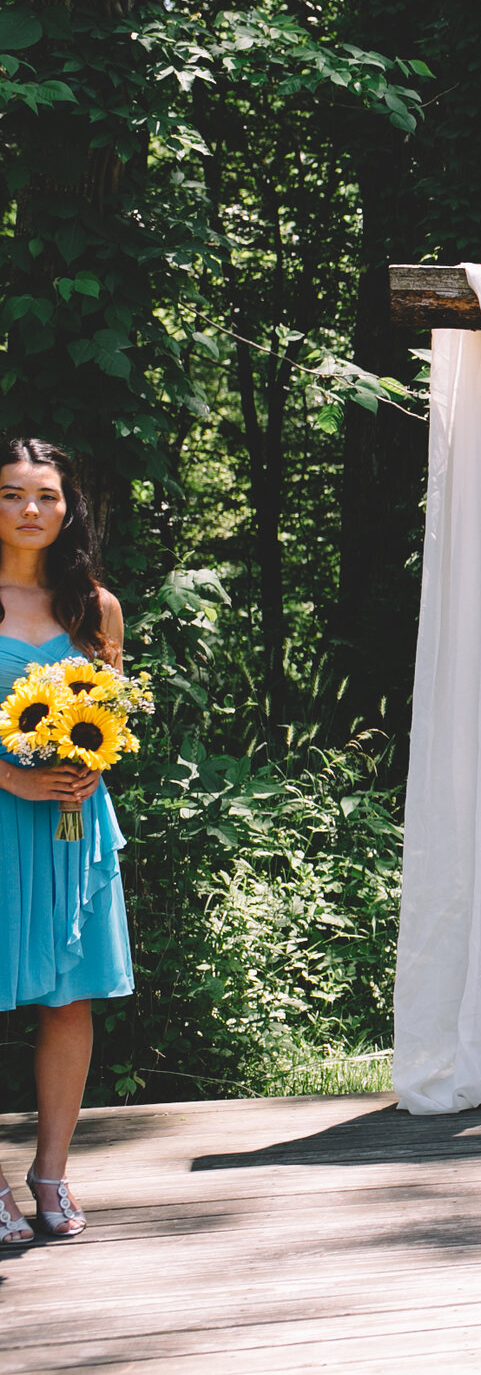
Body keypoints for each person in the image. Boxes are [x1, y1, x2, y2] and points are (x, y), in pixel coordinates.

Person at [0, 440, 133, 1244]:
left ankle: (50, 1174)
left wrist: (94, 759)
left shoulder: (95, 605)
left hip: (73, 827)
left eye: (45, 495)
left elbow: (113, 714)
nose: (29, 510)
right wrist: (8, 778)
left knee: (69, 997)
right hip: (2, 815)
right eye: (12, 494)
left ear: (68, 503)